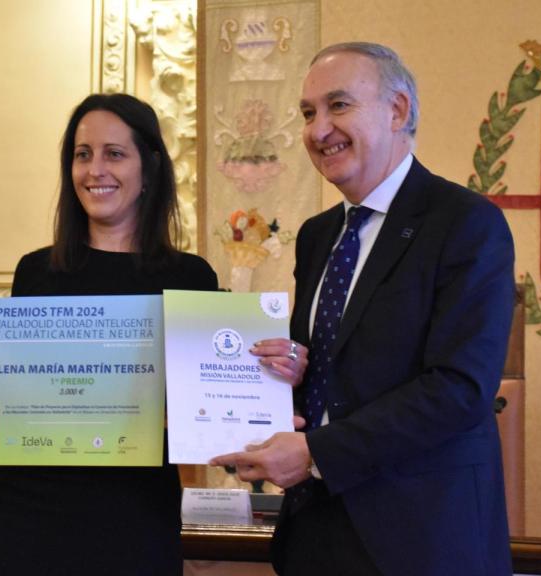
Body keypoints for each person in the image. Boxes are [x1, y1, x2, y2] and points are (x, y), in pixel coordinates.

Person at [211, 42, 515, 575]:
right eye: (308, 113)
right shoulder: (317, 235)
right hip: (315, 535)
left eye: (339, 106)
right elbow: (339, 368)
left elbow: (460, 388)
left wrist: (317, 453)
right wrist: (293, 372)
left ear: (397, 110)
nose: (318, 129)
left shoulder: (465, 223)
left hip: (421, 540)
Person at [0, 93, 218, 575]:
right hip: (24, 512)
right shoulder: (35, 271)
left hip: (131, 516)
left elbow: (206, 408)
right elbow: (14, 391)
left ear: (150, 167)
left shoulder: (191, 278)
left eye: (114, 154)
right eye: (83, 155)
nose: (94, 170)